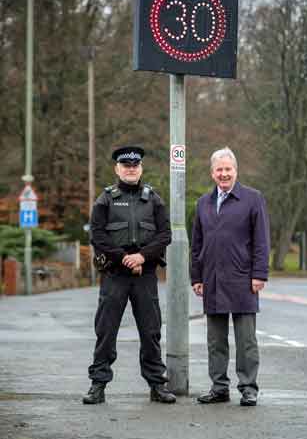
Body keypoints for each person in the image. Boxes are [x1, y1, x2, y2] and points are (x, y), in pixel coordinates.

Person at [83, 145, 176, 405]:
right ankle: (98, 385)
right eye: (126, 166)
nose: (131, 169)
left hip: (145, 275)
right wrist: (125, 259)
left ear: (141, 168)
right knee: (106, 330)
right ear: (117, 169)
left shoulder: (154, 199)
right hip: (115, 274)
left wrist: (142, 257)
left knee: (151, 331)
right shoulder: (106, 199)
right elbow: (97, 235)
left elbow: (164, 234)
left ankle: (157, 385)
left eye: (135, 166)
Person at [191, 147, 270, 407]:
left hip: (243, 279)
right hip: (211, 280)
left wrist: (259, 274)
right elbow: (197, 244)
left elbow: (261, 240)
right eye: (219, 169)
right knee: (215, 341)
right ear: (212, 173)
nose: (224, 174)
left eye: (228, 169)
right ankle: (219, 388)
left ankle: (248, 388)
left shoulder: (253, 199)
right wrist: (197, 277)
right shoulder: (203, 202)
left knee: (246, 340)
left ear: (235, 171)